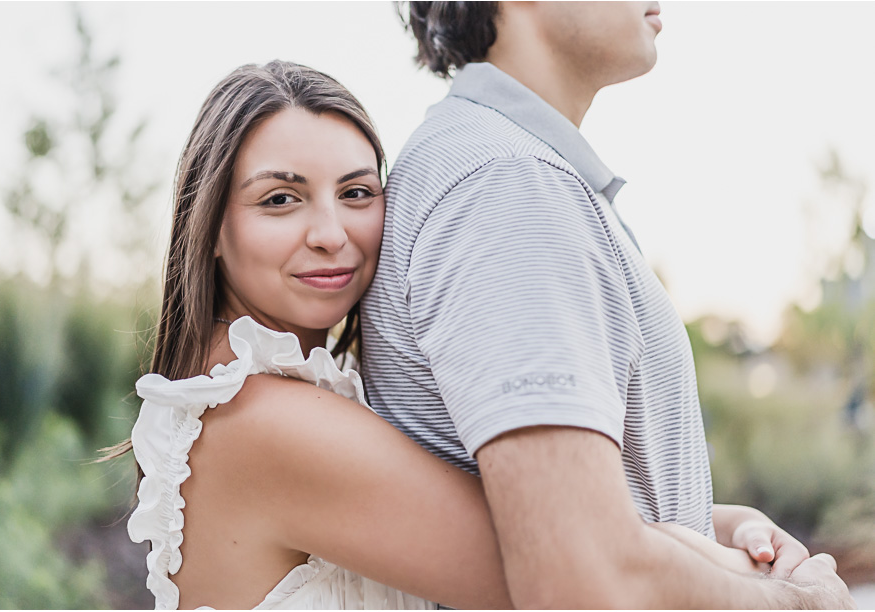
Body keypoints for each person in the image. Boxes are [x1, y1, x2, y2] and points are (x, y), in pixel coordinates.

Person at [116, 60, 801, 610]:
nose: (331, 235)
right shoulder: (261, 421)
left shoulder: (301, 400)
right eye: (280, 200)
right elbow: (570, 569)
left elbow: (554, 519)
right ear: (208, 228)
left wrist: (731, 523)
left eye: (357, 193)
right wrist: (794, 597)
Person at [360, 1, 855, 608]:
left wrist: (706, 522)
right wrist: (804, 604)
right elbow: (579, 578)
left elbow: (561, 515)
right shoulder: (509, 185)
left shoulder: (509, 168)